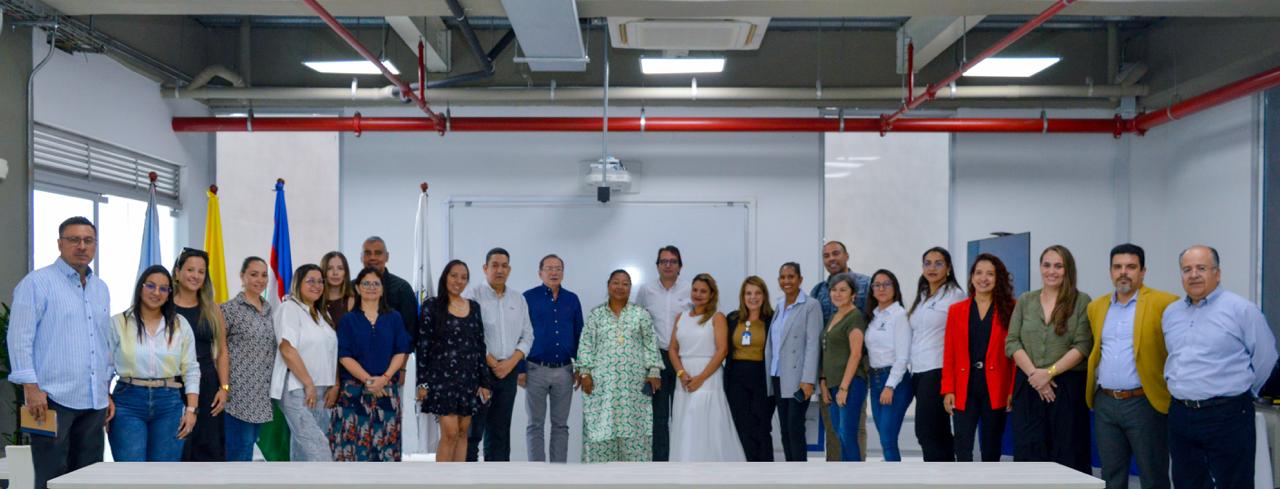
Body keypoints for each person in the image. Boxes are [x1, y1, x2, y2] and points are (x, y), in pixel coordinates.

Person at [7, 217, 111, 489]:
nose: (81, 246)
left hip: (93, 401)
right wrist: (31, 387)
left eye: (88, 241)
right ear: (59, 244)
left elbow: (102, 343)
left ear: (95, 245)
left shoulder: (101, 289)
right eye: (74, 240)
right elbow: (19, 338)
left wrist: (105, 389)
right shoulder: (37, 283)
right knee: (52, 476)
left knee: (88, 478)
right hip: (50, 400)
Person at [1163, 245, 1278, 489]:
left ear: (1217, 273)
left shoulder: (1241, 310)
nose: (1193, 274)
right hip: (1181, 415)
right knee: (1186, 482)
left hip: (1228, 414)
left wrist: (1240, 392)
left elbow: (1265, 359)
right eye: (1187, 269)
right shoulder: (1171, 313)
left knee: (1234, 483)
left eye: (1201, 268)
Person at [1086, 244, 1178, 489]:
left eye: (1131, 267)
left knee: (1152, 474)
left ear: (1143, 271)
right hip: (1105, 403)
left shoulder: (1165, 303)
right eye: (1118, 267)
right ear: (1110, 271)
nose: (1123, 272)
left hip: (1144, 402)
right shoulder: (1097, 307)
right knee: (1111, 475)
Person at [1007, 245, 1093, 473]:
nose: (1051, 271)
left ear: (1068, 270)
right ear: (1040, 267)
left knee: (1068, 453)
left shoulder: (1082, 301)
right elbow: (1012, 342)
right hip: (1028, 386)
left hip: (1066, 389)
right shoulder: (1026, 300)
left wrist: (1049, 373)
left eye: (1058, 266)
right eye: (1046, 265)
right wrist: (1036, 375)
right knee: (1029, 452)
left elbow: (1083, 346)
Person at [106, 265, 200, 461]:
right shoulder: (118, 322)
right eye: (151, 286)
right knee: (132, 473)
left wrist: (191, 410)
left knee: (163, 476)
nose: (156, 292)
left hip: (169, 404)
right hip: (127, 402)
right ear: (140, 287)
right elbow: (104, 368)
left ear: (169, 293)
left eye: (163, 288)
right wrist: (105, 397)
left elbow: (191, 369)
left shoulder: (180, 324)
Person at [577, 270, 664, 463]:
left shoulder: (640, 315)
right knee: (601, 431)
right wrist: (584, 373)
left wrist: (654, 371)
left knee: (635, 433)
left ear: (630, 288)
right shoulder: (596, 315)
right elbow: (586, 345)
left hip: (633, 388)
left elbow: (650, 344)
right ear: (608, 286)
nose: (620, 287)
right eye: (616, 282)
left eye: (625, 283)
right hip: (602, 387)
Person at [334, 266, 413, 462]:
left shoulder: (394, 317)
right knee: (352, 453)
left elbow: (401, 351)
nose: (371, 287)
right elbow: (344, 356)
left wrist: (384, 379)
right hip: (354, 394)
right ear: (358, 288)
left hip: (387, 392)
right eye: (366, 283)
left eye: (375, 283)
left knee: (385, 451)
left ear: (382, 288)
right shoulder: (348, 320)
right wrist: (369, 381)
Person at [942, 253, 1015, 462]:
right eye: (979, 273)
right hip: (965, 386)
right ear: (972, 277)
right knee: (962, 447)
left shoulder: (1011, 307)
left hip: (996, 387)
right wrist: (948, 388)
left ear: (998, 278)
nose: (983, 278)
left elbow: (1015, 355)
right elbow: (949, 353)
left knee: (992, 448)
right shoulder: (957, 310)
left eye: (990, 274)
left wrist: (1012, 390)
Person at [417, 260, 492, 463]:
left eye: (464, 277)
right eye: (454, 275)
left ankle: (459, 481)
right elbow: (423, 346)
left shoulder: (474, 307)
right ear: (445, 277)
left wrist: (484, 382)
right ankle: (442, 482)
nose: (458, 281)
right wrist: (422, 383)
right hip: (441, 380)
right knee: (449, 433)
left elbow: (479, 345)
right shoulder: (431, 306)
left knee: (461, 433)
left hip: (468, 379)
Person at [464, 248, 534, 462]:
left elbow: (528, 335)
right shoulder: (473, 295)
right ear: (485, 268)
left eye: (504, 266)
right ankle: (469, 480)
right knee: (473, 432)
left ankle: (499, 481)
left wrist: (511, 363)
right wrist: (492, 362)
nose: (499, 270)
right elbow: (470, 334)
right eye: (495, 265)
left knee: (500, 431)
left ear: (509, 269)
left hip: (509, 371)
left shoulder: (518, 299)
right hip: (480, 371)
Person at [668, 273, 745, 462]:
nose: (698, 294)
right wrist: (681, 373)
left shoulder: (717, 317)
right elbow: (672, 348)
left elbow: (722, 350)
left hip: (708, 377)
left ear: (712, 294)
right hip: (684, 378)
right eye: (695, 290)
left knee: (704, 424)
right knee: (685, 424)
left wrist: (700, 378)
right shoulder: (681, 317)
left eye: (703, 291)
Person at [269, 264, 338, 461]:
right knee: (318, 447)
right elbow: (286, 348)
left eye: (320, 281)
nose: (317, 285)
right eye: (310, 280)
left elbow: (330, 353)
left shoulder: (322, 314)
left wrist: (334, 384)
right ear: (298, 283)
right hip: (297, 388)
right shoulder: (289, 308)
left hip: (321, 390)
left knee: (302, 451)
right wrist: (308, 384)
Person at [521, 254, 584, 463]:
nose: (554, 272)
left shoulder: (572, 299)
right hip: (535, 369)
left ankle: (559, 473)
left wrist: (580, 368)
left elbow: (579, 334)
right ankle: (537, 474)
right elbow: (520, 333)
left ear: (563, 273)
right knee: (535, 424)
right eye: (549, 268)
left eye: (558, 268)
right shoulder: (528, 297)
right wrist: (520, 368)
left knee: (560, 425)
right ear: (540, 273)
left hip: (565, 371)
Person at [810, 241, 870, 461]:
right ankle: (835, 476)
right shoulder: (818, 290)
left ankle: (855, 477)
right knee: (833, 430)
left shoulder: (866, 283)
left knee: (852, 429)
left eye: (836, 253)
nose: (831, 258)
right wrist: (822, 377)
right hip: (829, 372)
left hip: (853, 372)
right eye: (826, 255)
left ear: (847, 255)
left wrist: (846, 384)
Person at [906, 247, 967, 461]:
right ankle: (945, 476)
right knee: (935, 431)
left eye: (938, 263)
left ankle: (940, 477)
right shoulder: (922, 296)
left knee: (927, 431)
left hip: (938, 371)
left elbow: (961, 337)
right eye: (928, 263)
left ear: (948, 268)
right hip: (919, 372)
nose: (932, 268)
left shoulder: (955, 295)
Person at [633, 245, 690, 462]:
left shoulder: (690, 290)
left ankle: (683, 461)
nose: (668, 265)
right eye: (663, 261)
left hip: (683, 359)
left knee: (682, 414)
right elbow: (637, 323)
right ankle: (661, 464)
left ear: (680, 266)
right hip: (655, 361)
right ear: (657, 265)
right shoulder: (646, 291)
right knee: (658, 417)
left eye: (672, 261)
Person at [172, 248, 229, 462]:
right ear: (177, 272)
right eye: (190, 270)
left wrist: (224, 388)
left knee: (209, 448)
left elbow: (222, 351)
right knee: (179, 446)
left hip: (207, 384)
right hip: (174, 384)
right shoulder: (164, 307)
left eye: (201, 271)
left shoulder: (212, 309)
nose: (196, 276)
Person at [766, 262, 824, 462]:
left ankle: (800, 474)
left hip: (798, 377)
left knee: (795, 426)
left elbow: (813, 344)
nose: (786, 281)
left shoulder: (810, 305)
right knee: (784, 428)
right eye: (782, 277)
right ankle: (789, 472)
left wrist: (808, 379)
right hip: (778, 375)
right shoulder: (779, 305)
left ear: (800, 279)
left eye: (791, 277)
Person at [221, 256, 276, 461]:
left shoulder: (270, 310)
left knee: (251, 448)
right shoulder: (228, 309)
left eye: (264, 275)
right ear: (242, 276)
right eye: (254, 274)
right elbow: (220, 351)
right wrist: (224, 387)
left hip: (262, 394)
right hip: (238, 394)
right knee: (239, 452)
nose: (260, 280)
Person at [724, 276, 775, 462]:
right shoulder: (732, 318)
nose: (753, 297)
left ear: (764, 295)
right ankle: (747, 474)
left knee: (761, 427)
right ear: (742, 296)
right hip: (736, 378)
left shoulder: (772, 319)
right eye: (748, 293)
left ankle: (767, 475)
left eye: (757, 293)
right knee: (742, 427)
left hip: (762, 378)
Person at [865, 269, 913, 462]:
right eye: (877, 285)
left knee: (887, 437)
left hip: (894, 382)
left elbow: (903, 357)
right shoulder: (873, 316)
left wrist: (889, 385)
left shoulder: (899, 315)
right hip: (875, 380)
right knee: (884, 437)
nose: (881, 288)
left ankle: (896, 479)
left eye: (887, 284)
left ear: (895, 288)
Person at [361, 236, 418, 341]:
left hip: (394, 356)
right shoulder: (351, 288)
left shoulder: (402, 288)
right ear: (361, 257)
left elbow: (409, 334)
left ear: (387, 257)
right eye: (367, 253)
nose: (372, 257)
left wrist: (398, 358)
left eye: (378, 253)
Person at [321, 251, 357, 326]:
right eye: (330, 268)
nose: (335, 273)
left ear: (345, 272)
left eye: (340, 268)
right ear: (323, 271)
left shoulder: (354, 300)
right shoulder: (315, 300)